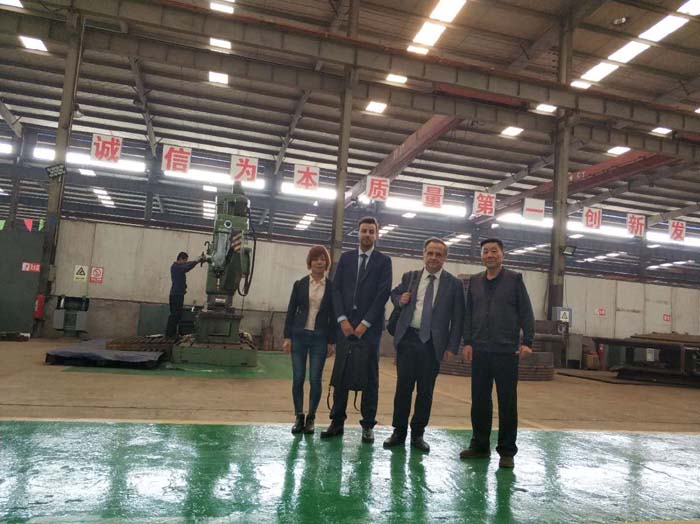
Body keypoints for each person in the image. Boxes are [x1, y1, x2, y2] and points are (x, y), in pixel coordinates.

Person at [459, 238, 535, 469]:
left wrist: (527, 341)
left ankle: (507, 451)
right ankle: (480, 446)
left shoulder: (514, 279)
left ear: (502, 254)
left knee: (507, 403)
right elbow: (468, 314)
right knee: (479, 402)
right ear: (481, 256)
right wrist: (467, 342)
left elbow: (526, 312)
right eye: (486, 252)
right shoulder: (474, 281)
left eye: (494, 251)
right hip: (480, 350)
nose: (490, 255)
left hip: (506, 351)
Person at [383, 238, 464, 453]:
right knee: (403, 388)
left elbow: (458, 319)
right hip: (408, 340)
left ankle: (418, 434)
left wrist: (452, 347)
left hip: (432, 345)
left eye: (439, 254)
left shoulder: (454, 285)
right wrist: (400, 299)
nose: (434, 258)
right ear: (424, 254)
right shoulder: (410, 277)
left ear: (445, 258)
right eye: (430, 253)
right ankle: (399, 432)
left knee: (425, 391)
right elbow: (394, 294)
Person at [321, 216, 392, 443]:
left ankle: (368, 425)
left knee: (370, 377)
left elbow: (382, 294)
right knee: (341, 374)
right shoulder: (346, 258)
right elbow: (336, 290)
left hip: (369, 331)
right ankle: (337, 421)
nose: (367, 234)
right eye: (364, 230)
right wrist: (342, 319)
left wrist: (365, 324)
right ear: (358, 232)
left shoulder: (384, 262)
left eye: (371, 231)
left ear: (376, 234)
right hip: (345, 328)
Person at [282, 245, 336, 435]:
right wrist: (287, 337)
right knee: (298, 378)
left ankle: (311, 417)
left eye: (322, 259)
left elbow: (333, 316)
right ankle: (299, 416)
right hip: (299, 336)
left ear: (326, 263)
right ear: (310, 263)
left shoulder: (331, 288)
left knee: (315, 379)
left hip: (320, 338)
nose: (319, 262)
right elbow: (291, 311)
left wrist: (331, 342)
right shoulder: (300, 284)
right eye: (315, 259)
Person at [165, 251, 204, 338]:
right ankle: (170, 334)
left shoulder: (178, 266)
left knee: (177, 314)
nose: (185, 262)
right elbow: (187, 267)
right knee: (175, 315)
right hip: (176, 295)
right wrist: (196, 261)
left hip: (178, 294)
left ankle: (172, 334)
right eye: (185, 261)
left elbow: (187, 264)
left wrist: (196, 260)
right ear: (181, 259)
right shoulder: (176, 267)